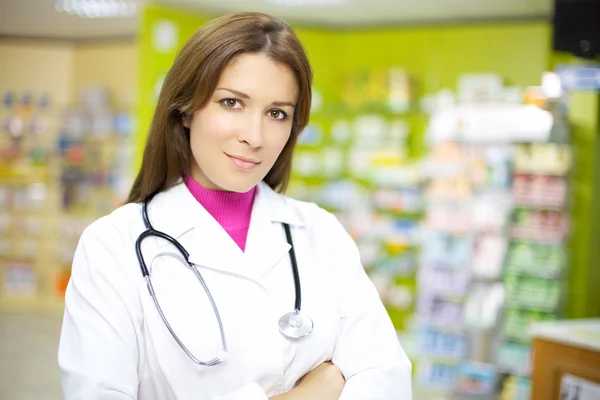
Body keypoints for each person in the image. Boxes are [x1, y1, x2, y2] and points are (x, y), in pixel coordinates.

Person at [58, 11, 412, 400]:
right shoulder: (114, 246)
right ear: (187, 109)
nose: (255, 136)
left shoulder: (321, 233)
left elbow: (387, 378)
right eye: (232, 103)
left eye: (277, 113)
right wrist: (319, 387)